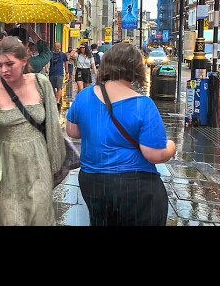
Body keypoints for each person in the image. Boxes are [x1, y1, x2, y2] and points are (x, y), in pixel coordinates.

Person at [65, 41, 176, 226]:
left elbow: (73, 131)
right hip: (135, 186)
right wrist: (171, 147)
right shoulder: (143, 105)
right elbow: (154, 154)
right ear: (136, 70)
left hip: (92, 181)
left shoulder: (84, 96)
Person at [0, 36, 66, 226]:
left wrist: (55, 163)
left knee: (41, 217)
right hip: (7, 164)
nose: (4, 70)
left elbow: (52, 125)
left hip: (38, 161)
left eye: (9, 64)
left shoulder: (41, 83)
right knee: (11, 219)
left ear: (24, 61)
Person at [48, 41, 69, 111]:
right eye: (55, 47)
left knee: (59, 87)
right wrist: (46, 68)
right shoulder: (50, 54)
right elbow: (47, 62)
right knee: (52, 88)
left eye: (58, 47)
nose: (57, 48)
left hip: (60, 73)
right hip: (52, 73)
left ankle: (57, 101)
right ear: (54, 47)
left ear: (60, 47)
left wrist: (67, 72)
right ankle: (56, 98)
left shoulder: (63, 55)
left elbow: (66, 62)